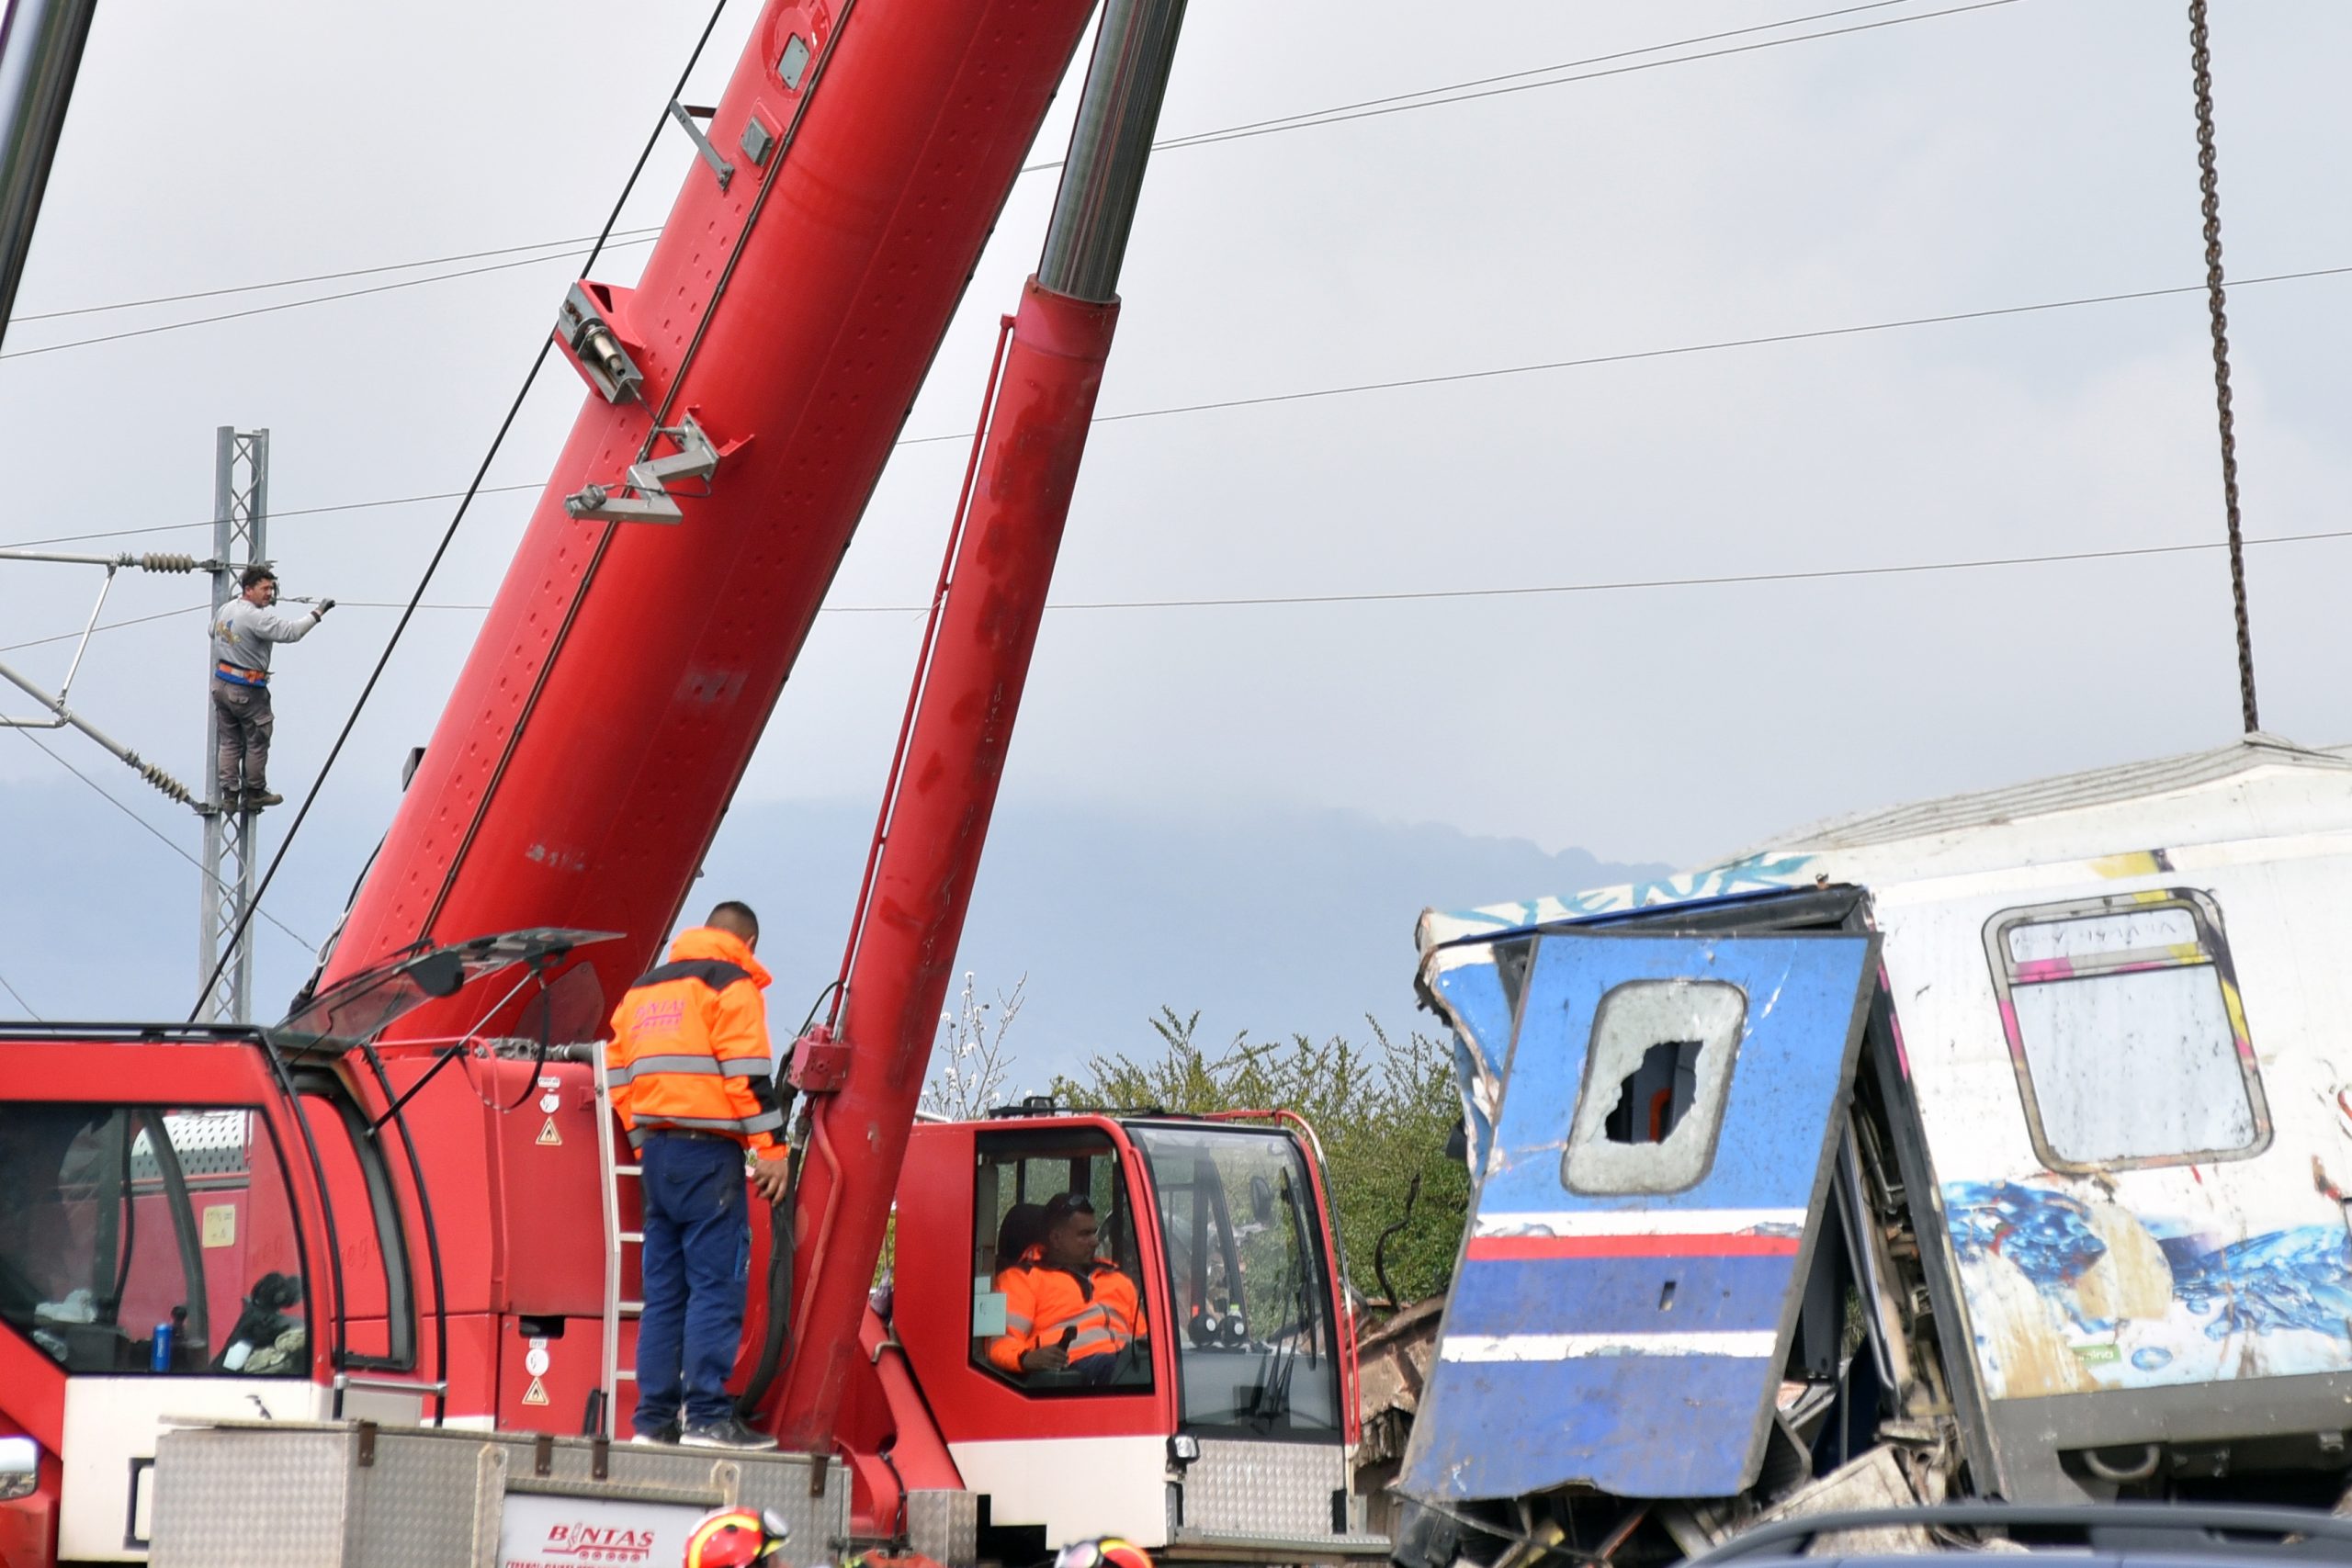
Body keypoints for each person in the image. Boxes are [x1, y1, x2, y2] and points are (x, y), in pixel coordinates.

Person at [605, 901, 792, 1450]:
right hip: (710, 1157)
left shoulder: (642, 991)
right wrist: (773, 1150)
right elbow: (747, 1075)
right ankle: (707, 1418)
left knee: (665, 1294)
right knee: (715, 1287)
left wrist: (643, 1143)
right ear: (748, 942)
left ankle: (653, 1423)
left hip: (659, 1157)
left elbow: (616, 1072)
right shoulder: (732, 986)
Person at [988, 1192, 1147, 1385]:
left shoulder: (1116, 1278)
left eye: (1094, 1233)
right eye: (1084, 1234)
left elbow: (1144, 1340)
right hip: (1073, 1370)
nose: (1095, 1241)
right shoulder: (1021, 1279)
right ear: (1056, 1239)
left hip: (1126, 1365)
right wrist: (1026, 1358)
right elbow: (1000, 1344)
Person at [210, 565, 332, 810]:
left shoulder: (227, 609)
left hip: (222, 683)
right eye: (264, 588)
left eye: (271, 588)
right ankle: (255, 792)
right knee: (257, 739)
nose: (269, 593)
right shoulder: (256, 617)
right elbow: (291, 632)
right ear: (248, 589)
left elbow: (212, 630)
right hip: (247, 688)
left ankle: (230, 795)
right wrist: (318, 612)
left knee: (230, 741)